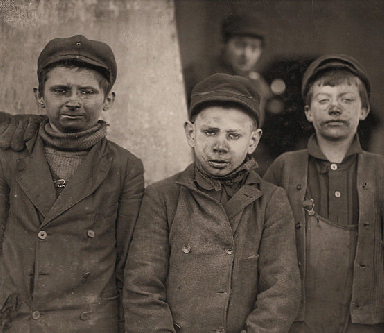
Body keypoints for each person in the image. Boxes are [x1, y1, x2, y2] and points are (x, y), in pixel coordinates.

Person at [123, 73, 301, 333]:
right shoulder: (161, 198)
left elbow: (281, 292)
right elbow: (142, 287)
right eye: (210, 132)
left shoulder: (272, 202)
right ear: (190, 134)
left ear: (253, 140)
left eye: (233, 135)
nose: (220, 145)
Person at [0, 35, 144, 332]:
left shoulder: (125, 167)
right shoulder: (10, 156)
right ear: (40, 97)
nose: (74, 101)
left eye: (88, 92)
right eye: (60, 90)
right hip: (20, 320)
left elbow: (127, 259)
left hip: (88, 322)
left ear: (109, 100)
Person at [264, 55, 384, 332]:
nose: (335, 107)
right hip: (299, 323)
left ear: (364, 110)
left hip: (369, 325)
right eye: (323, 100)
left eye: (347, 100)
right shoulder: (285, 167)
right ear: (308, 112)